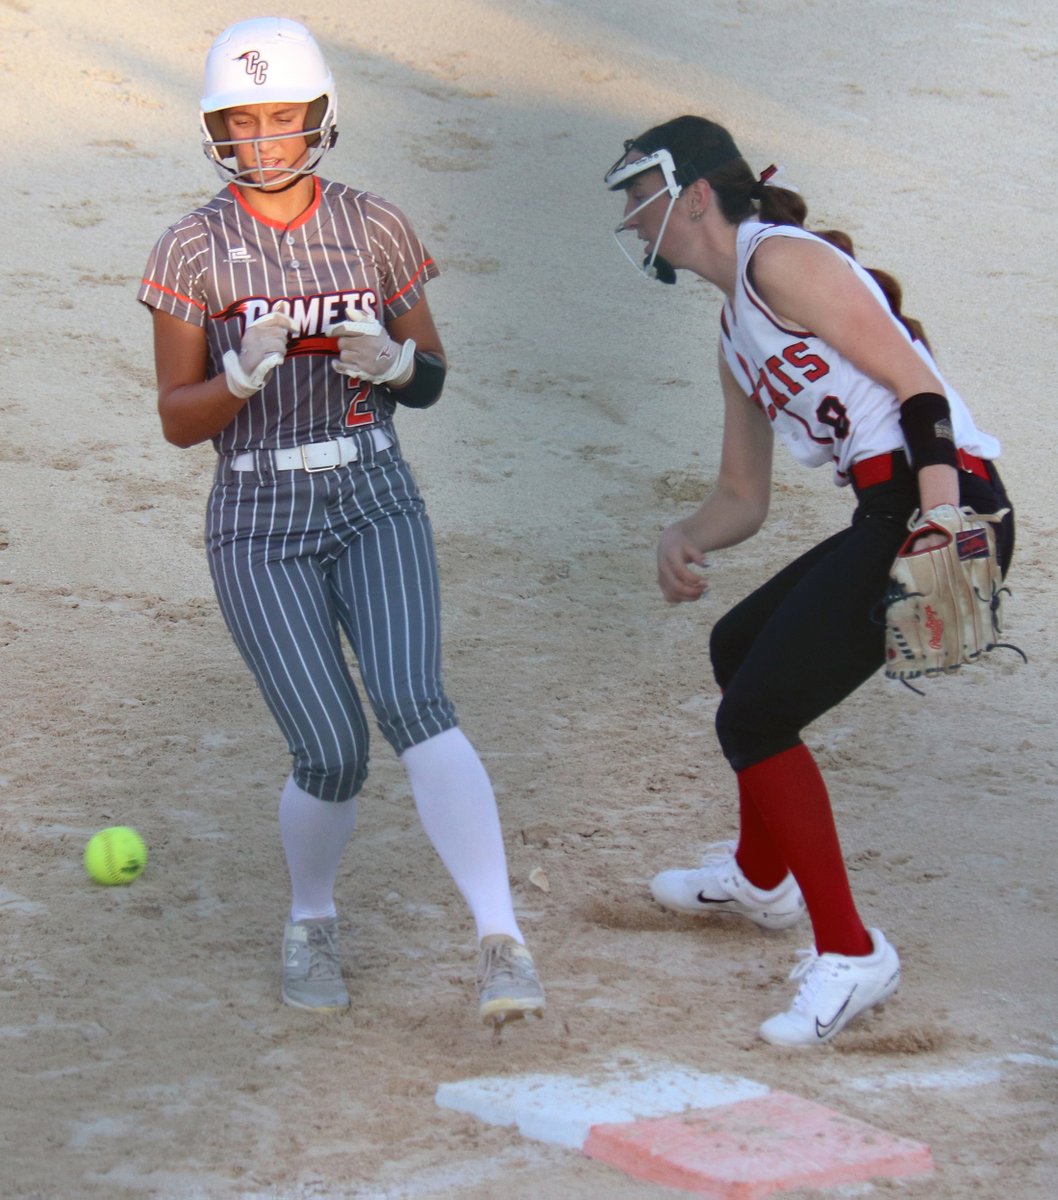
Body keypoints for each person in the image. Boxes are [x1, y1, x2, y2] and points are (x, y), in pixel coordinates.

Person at [137, 17, 544, 1026]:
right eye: (243, 120)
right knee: (328, 748)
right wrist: (236, 376)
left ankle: (502, 938)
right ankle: (310, 916)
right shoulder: (191, 247)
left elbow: (434, 377)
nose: (264, 138)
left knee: (416, 701)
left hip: (372, 490)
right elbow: (178, 421)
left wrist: (395, 365)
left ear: (317, 117)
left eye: (281, 117)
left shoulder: (374, 226)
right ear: (215, 128)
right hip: (258, 512)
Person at [604, 115, 1014, 1046]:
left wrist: (943, 516)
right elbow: (743, 498)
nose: (631, 218)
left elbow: (919, 386)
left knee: (752, 717)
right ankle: (760, 879)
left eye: (640, 194)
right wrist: (684, 533)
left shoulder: (777, 260)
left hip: (941, 498)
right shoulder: (733, 332)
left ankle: (853, 949)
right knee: (736, 648)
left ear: (695, 193)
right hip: (887, 512)